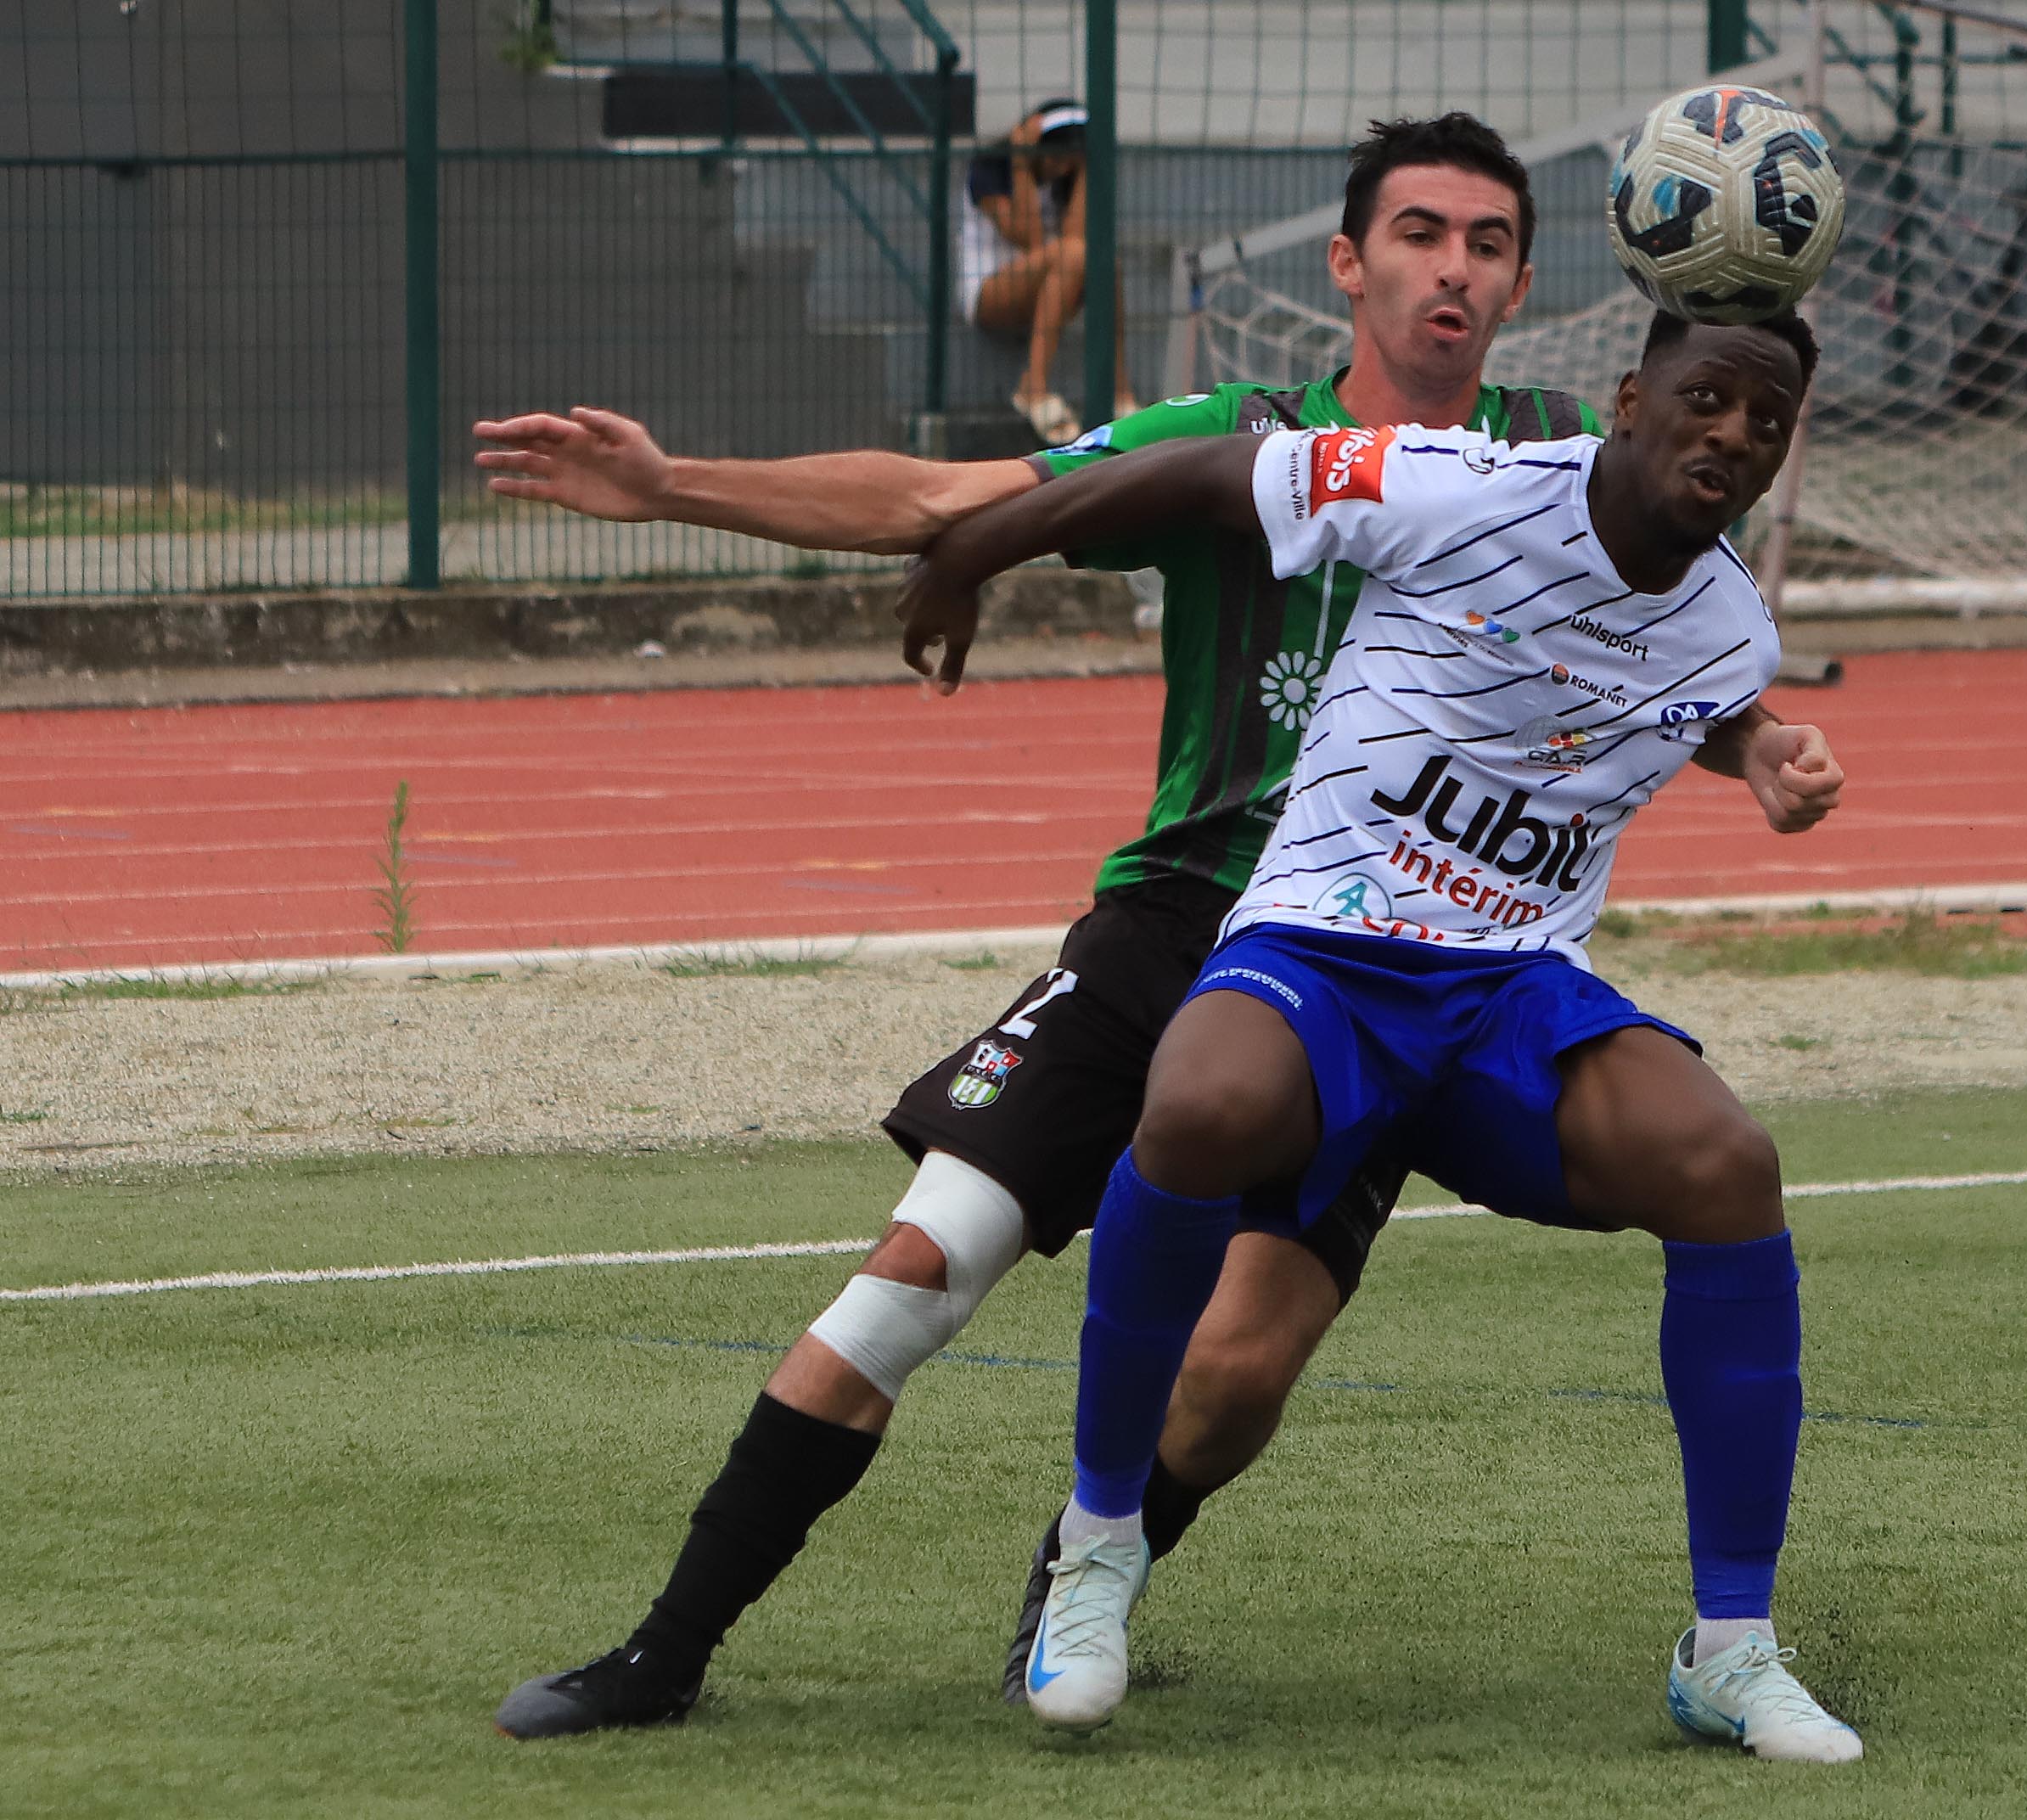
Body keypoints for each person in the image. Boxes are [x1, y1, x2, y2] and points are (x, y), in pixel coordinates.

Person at [475, 112, 1601, 1740]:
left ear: (1514, 283)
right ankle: (661, 1648)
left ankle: (1081, 1566)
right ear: (1348, 265)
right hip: (1168, 938)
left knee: (1229, 1381)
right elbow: (950, 491)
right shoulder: (1238, 435)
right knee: (910, 1274)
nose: (1451, 266)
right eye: (1417, 234)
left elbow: (1682, 565)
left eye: (1485, 243)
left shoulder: (1561, 459)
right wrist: (671, 487)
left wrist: (1757, 725)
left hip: (1377, 978)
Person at [897, 307, 1861, 1761]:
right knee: (1199, 1104)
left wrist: (1758, 746)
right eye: (1702, 397)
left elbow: (1677, 689)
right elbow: (1215, 472)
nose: (1728, 433)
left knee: (1724, 1161)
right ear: (1627, 397)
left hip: (1508, 991)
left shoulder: (1731, 622)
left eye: (1762, 419)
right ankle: (1095, 1551)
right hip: (1327, 945)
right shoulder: (1454, 482)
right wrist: (973, 546)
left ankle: (1726, 1646)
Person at [960, 98, 1131, 443]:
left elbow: (1076, 239)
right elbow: (1031, 242)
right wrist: (1022, 166)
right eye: (1054, 156)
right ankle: (1033, 388)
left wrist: (1087, 171)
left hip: (1051, 288)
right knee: (1068, 254)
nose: (1059, 168)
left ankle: (1120, 393)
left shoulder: (1067, 179)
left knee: (1103, 265)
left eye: (1071, 161)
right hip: (990, 294)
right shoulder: (990, 169)